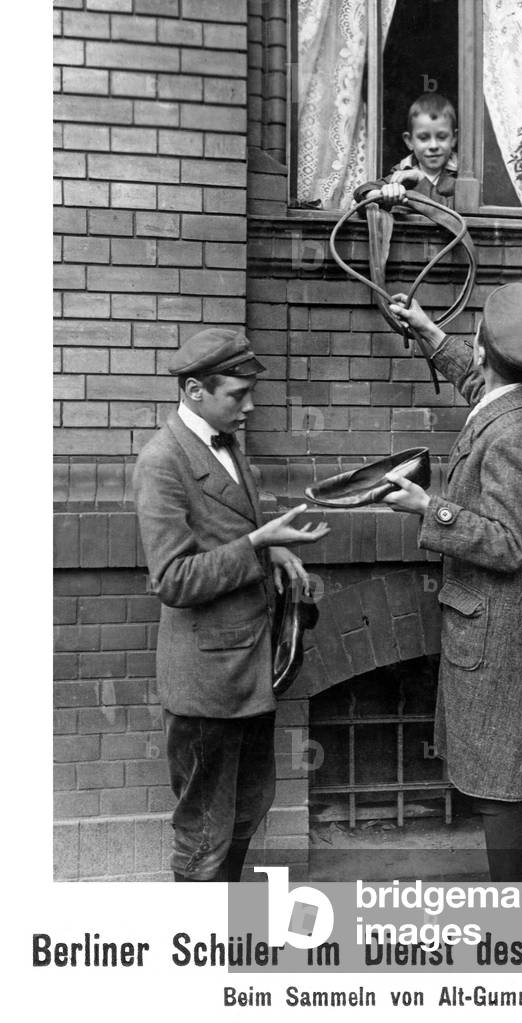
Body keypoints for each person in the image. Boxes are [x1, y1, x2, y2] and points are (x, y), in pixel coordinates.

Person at [384, 284, 522, 882]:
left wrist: (427, 508)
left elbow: (509, 541)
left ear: (484, 348)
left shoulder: (512, 434)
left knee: (499, 788)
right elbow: (479, 387)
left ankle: (514, 924)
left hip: (497, 636)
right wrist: (428, 333)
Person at [132, 328, 330, 882]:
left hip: (247, 673)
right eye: (236, 394)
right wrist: (256, 547)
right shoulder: (161, 462)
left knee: (245, 813)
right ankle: (199, 954)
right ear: (195, 390)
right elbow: (172, 579)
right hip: (206, 690)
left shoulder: (225, 442)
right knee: (204, 838)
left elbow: (233, 529)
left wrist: (275, 550)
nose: (249, 405)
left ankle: (224, 940)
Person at [354, 92, 457, 208]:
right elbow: (362, 191)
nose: (433, 146)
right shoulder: (404, 170)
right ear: (409, 141)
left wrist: (421, 179)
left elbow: (452, 210)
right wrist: (383, 193)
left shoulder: (460, 177)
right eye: (424, 138)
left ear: (453, 139)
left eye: (442, 137)